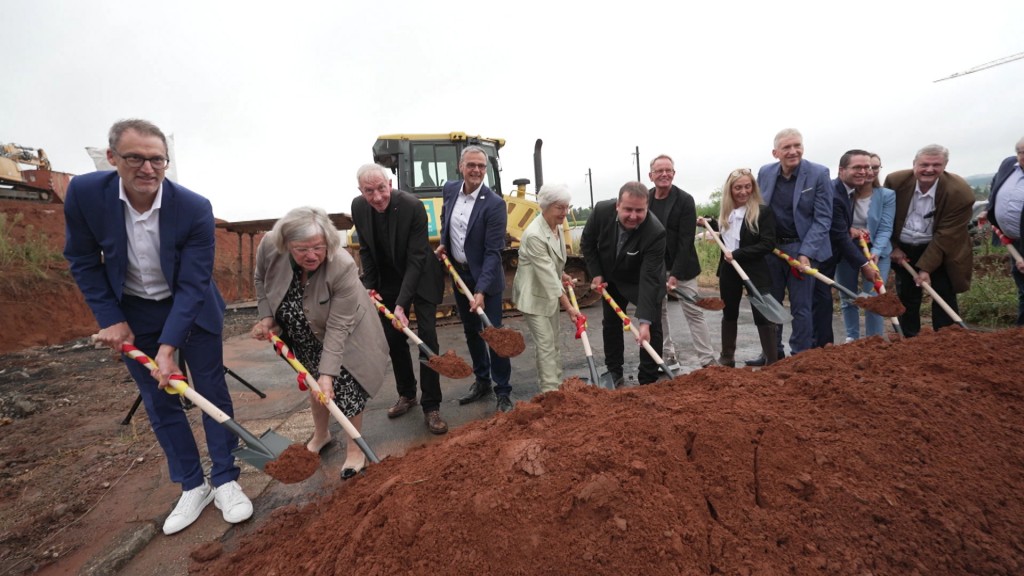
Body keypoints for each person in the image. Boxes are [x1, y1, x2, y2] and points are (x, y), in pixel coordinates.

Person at [63, 119, 252, 535]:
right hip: (134, 311)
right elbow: (81, 258)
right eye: (135, 158)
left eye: (157, 160)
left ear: (167, 162)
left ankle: (225, 478)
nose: (147, 168)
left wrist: (168, 349)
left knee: (210, 389)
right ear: (113, 158)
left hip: (193, 305)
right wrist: (111, 318)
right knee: (158, 397)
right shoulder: (84, 194)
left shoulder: (193, 207)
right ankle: (192, 484)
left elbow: (193, 281)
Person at [251, 206, 387, 479]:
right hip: (301, 335)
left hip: (345, 334)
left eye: (318, 247)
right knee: (314, 384)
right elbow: (261, 280)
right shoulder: (269, 245)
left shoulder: (343, 265)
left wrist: (328, 374)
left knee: (345, 388)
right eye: (302, 249)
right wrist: (266, 318)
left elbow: (338, 328)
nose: (311, 255)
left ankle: (354, 449)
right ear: (286, 244)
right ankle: (322, 434)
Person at [351, 164, 448, 435]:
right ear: (361, 191)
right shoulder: (358, 208)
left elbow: (417, 258)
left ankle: (432, 405)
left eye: (381, 188)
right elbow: (366, 250)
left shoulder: (412, 206)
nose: (377, 196)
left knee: (427, 338)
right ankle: (407, 394)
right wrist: (369, 286)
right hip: (388, 279)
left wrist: (402, 305)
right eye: (369, 191)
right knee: (393, 339)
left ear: (390, 183)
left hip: (421, 275)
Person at [436, 146, 514, 412]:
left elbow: (493, 252)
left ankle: (503, 390)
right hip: (459, 275)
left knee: (494, 334)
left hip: (486, 280)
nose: (477, 170)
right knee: (472, 332)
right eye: (472, 165)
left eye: (482, 166)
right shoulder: (450, 190)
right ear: (461, 166)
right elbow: (447, 219)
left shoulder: (494, 204)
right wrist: (444, 244)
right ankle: (482, 381)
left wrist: (480, 290)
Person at [746, 128, 832, 365]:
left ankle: (800, 357)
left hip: (802, 248)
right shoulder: (765, 172)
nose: (793, 151)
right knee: (771, 304)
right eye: (787, 147)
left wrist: (807, 253)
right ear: (776, 153)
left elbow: (823, 218)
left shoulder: (818, 174)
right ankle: (773, 354)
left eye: (797, 146)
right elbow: (758, 208)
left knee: (801, 307)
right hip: (772, 250)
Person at [580, 181, 667, 386]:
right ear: (617, 205)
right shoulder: (601, 211)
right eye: (628, 209)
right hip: (610, 276)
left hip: (640, 280)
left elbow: (649, 277)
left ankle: (648, 377)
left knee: (651, 325)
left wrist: (644, 321)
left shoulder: (655, 232)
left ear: (647, 208)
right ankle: (613, 372)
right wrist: (597, 274)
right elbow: (588, 243)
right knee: (611, 323)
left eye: (640, 210)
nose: (633, 216)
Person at [885, 144, 974, 336]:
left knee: (944, 292)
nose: (929, 169)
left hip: (942, 248)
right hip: (904, 248)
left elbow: (947, 234)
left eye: (936, 165)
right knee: (907, 295)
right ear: (914, 164)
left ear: (945, 166)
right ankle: (909, 340)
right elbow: (884, 218)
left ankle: (946, 340)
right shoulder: (895, 181)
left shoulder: (959, 192)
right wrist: (893, 247)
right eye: (924, 164)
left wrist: (925, 268)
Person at [700, 169, 778, 366]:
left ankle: (772, 360)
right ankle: (727, 357)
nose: (743, 191)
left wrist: (737, 254)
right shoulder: (727, 213)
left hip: (754, 270)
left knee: (762, 314)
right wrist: (707, 222)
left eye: (747, 186)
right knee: (729, 312)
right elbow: (726, 231)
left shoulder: (763, 212)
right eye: (738, 187)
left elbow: (767, 244)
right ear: (730, 190)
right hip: (729, 271)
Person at [647, 154, 717, 370]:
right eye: (659, 171)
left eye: (668, 170)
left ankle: (707, 360)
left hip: (683, 268)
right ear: (651, 175)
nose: (664, 174)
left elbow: (686, 240)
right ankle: (667, 356)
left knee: (694, 312)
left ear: (674, 174)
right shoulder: (645, 198)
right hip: (655, 268)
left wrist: (675, 273)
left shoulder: (685, 200)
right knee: (659, 314)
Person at [511, 183, 581, 393]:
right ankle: (550, 393)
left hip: (549, 293)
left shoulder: (556, 227)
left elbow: (552, 265)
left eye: (567, 207)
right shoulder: (534, 235)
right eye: (560, 208)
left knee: (554, 343)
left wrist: (563, 274)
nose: (565, 213)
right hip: (533, 297)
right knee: (546, 344)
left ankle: (556, 385)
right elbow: (547, 275)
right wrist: (569, 307)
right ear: (546, 206)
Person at [813, 150, 878, 347]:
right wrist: (864, 264)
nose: (863, 171)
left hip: (831, 253)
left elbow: (840, 228)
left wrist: (848, 227)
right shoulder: (834, 194)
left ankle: (823, 345)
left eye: (867, 167)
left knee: (822, 300)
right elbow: (838, 236)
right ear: (842, 170)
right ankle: (821, 346)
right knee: (820, 300)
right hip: (820, 255)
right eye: (857, 167)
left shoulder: (847, 191)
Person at [836, 152, 896, 340]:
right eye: (864, 167)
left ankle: (874, 339)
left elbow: (886, 227)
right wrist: (849, 230)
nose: (869, 171)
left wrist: (876, 252)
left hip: (877, 251)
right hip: (849, 249)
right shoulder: (846, 193)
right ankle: (852, 337)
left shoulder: (887, 195)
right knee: (848, 296)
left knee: (875, 297)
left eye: (874, 167)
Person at [984, 137, 1024, 326]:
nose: (1023, 156)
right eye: (1021, 152)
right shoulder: (1009, 164)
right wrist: (989, 207)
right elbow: (996, 181)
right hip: (1014, 240)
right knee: (1023, 288)